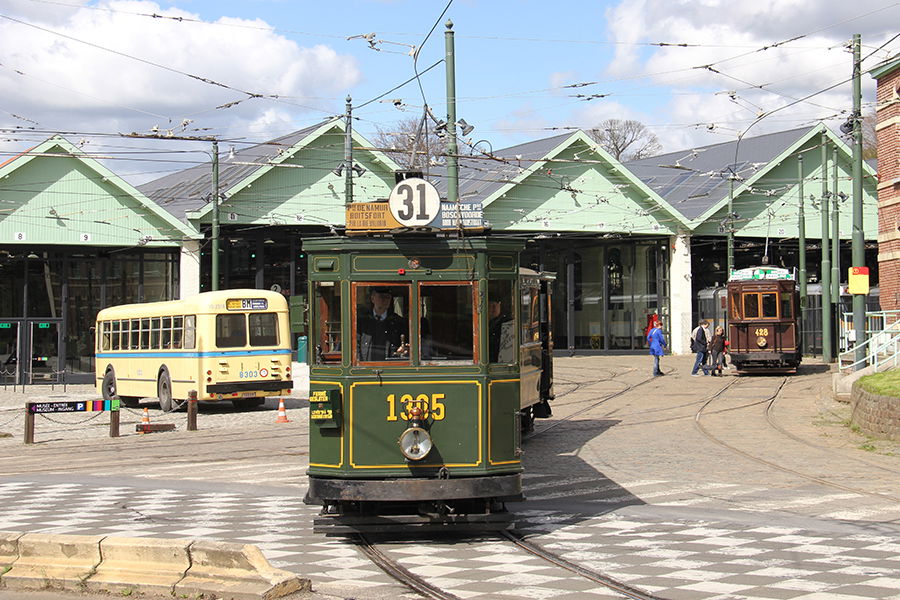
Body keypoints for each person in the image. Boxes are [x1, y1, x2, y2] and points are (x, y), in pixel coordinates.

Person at [357, 287, 408, 361]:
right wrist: (359, 365)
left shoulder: (398, 322)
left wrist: (403, 349)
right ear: (372, 299)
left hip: (390, 367)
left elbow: (405, 345)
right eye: (381, 297)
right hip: (367, 367)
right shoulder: (362, 321)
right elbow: (355, 345)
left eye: (388, 297)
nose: (385, 300)